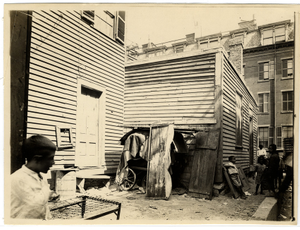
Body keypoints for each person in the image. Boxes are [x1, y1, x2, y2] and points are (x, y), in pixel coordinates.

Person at [10, 134, 57, 219]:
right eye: (51, 158)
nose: (53, 162)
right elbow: (37, 205)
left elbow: (44, 209)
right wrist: (47, 191)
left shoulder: (39, 176)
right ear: (37, 159)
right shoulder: (18, 179)